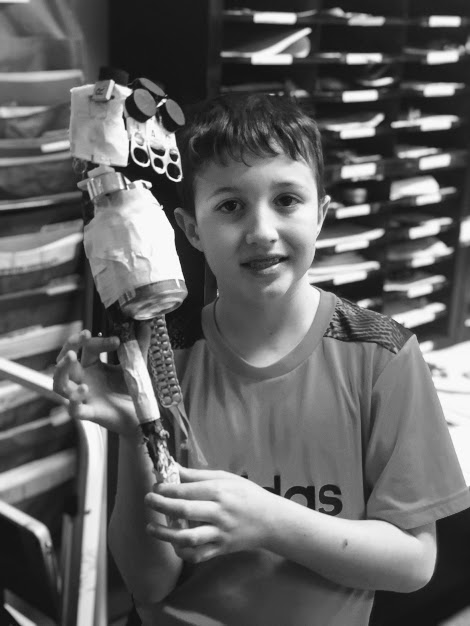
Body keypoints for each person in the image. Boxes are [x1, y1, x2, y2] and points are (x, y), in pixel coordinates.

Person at [54, 94, 470, 626]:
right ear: (191, 229)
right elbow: (149, 582)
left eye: (287, 200)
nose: (262, 231)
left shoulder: (381, 356)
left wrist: (268, 521)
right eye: (230, 206)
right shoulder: (165, 360)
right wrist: (139, 434)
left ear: (321, 215)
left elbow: (414, 563)